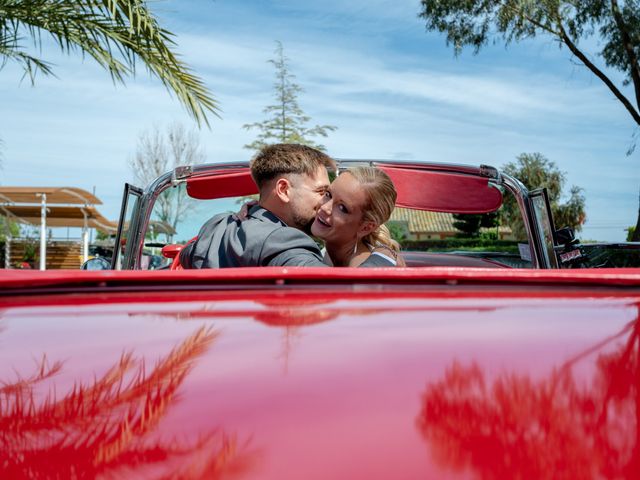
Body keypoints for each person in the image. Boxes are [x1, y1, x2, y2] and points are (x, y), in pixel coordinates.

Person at [180, 144, 394, 268]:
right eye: (323, 193)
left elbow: (186, 254)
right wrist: (385, 256)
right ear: (283, 190)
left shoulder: (217, 225)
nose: (324, 205)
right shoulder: (285, 243)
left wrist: (259, 211)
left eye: (342, 206)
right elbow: (338, 292)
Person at [311, 166, 405, 267]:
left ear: (366, 227)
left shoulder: (366, 273)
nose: (325, 207)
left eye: (342, 208)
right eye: (328, 194)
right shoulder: (321, 254)